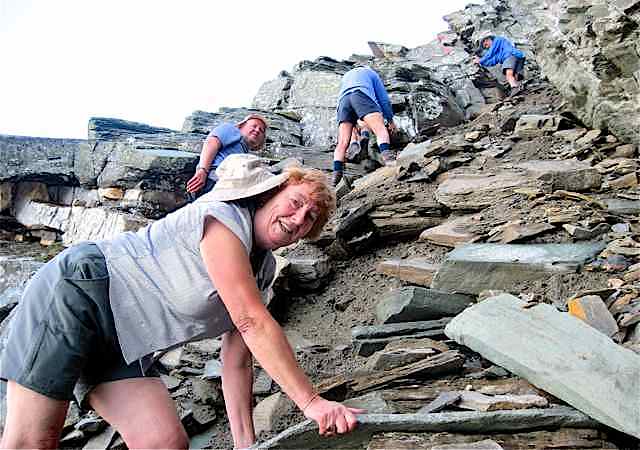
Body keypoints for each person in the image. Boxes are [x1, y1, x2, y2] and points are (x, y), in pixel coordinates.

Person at [0, 154, 363, 449]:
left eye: (310, 218)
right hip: (79, 292)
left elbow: (237, 362)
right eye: (295, 203)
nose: (298, 219)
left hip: (124, 342)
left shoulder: (263, 271)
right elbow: (251, 321)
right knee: (33, 443)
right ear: (270, 194)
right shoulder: (225, 218)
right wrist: (311, 402)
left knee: (163, 443)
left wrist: (245, 445)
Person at [332, 66, 396, 186]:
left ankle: (335, 178)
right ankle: (389, 160)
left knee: (342, 143)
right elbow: (383, 99)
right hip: (361, 95)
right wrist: (390, 119)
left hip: (343, 102)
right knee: (380, 129)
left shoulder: (346, 76)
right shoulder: (371, 73)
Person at [186, 114, 268, 199]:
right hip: (215, 179)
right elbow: (212, 143)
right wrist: (202, 170)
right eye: (254, 126)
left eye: (261, 130)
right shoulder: (232, 130)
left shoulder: (244, 150)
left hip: (229, 186)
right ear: (241, 126)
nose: (257, 130)